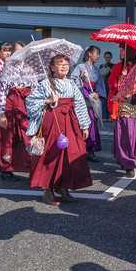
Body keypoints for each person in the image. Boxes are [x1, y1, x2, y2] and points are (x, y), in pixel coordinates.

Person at [26, 54, 92, 206]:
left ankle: (63, 186)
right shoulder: (45, 84)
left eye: (66, 64)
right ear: (52, 67)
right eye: (60, 64)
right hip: (52, 121)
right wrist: (47, 100)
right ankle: (47, 189)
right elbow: (30, 101)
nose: (64, 66)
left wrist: (84, 125)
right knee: (51, 154)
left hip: (69, 120)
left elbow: (80, 104)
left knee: (71, 153)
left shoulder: (72, 84)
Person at [0, 55, 37, 180]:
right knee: (7, 138)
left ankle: (30, 166)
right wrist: (1, 115)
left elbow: (35, 91)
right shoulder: (7, 70)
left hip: (25, 109)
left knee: (27, 138)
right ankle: (6, 168)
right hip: (9, 108)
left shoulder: (31, 71)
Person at [108, 47, 136, 177]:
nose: (123, 53)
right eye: (123, 50)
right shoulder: (117, 68)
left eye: (127, 51)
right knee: (122, 135)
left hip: (134, 104)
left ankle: (130, 162)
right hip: (121, 104)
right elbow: (111, 84)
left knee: (132, 136)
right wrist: (120, 80)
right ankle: (124, 160)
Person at [71, 45, 107, 162]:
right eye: (96, 53)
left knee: (92, 124)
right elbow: (73, 80)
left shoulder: (96, 69)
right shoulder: (80, 67)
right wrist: (82, 81)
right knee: (82, 123)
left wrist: (97, 93)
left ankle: (90, 150)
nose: (98, 56)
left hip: (92, 99)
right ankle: (81, 150)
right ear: (89, 54)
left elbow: (100, 85)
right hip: (83, 98)